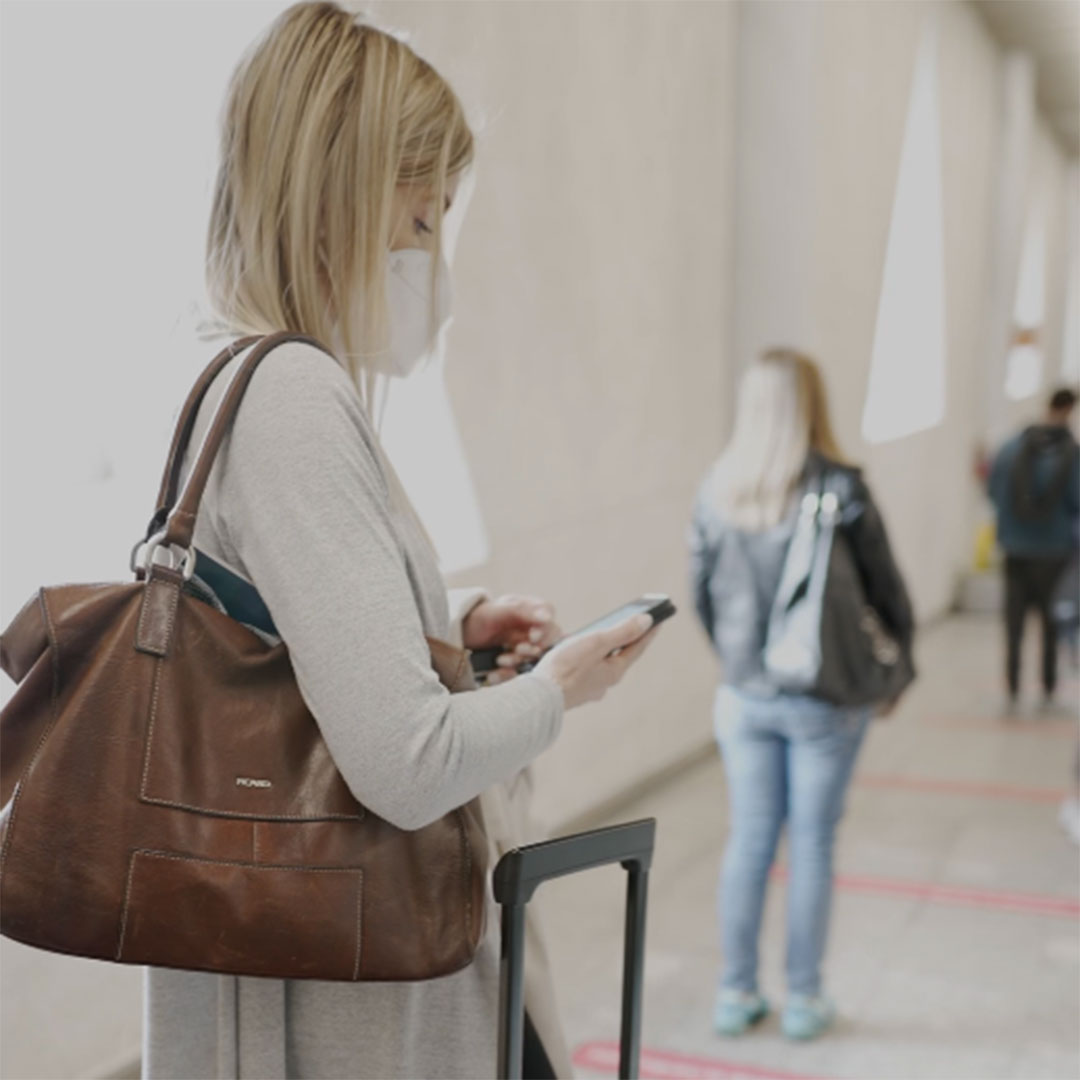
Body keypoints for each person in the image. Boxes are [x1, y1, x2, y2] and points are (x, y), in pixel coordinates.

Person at [144, 5, 662, 1078]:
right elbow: (407, 766)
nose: (429, 260)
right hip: (349, 1008)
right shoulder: (291, 396)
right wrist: (560, 687)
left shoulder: (245, 375)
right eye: (418, 223)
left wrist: (449, 628)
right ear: (333, 199)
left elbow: (279, 646)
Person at [688, 349, 914, 1042]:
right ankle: (805, 999)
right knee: (812, 843)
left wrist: (735, 664)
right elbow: (887, 589)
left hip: (744, 696)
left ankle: (736, 992)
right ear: (813, 404)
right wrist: (899, 666)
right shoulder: (841, 488)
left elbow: (700, 596)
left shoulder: (718, 490)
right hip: (825, 696)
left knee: (749, 841)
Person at [987, 387, 1080, 712]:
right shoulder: (1071, 452)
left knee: (1013, 622)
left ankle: (1012, 685)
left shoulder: (1012, 447)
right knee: (1051, 623)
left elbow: (994, 491)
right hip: (1054, 550)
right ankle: (1049, 686)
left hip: (1015, 547)